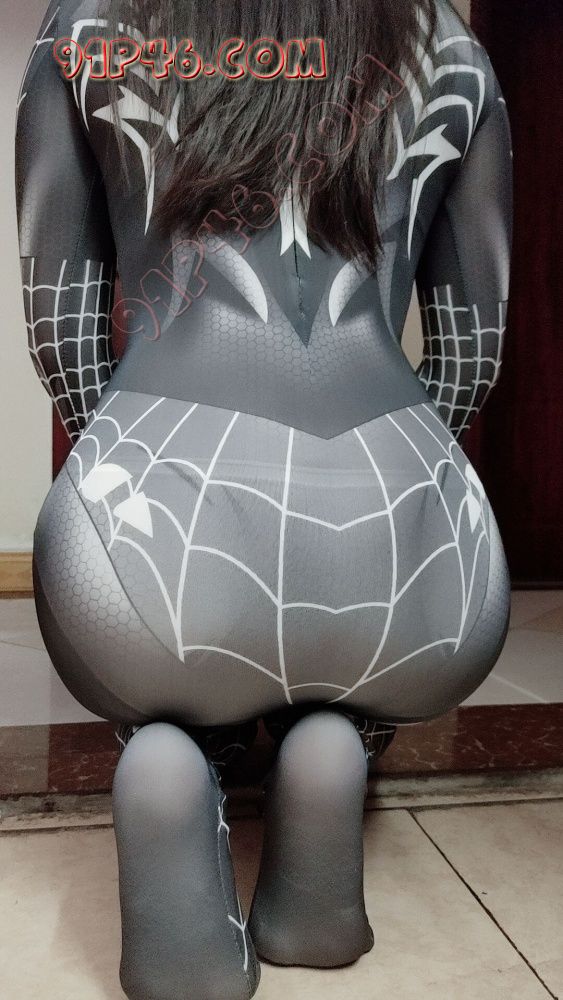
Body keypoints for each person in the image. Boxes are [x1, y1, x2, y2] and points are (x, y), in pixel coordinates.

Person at [15, 0, 513, 996]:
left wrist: (108, 472)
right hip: (420, 568)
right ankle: (327, 783)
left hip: (158, 549)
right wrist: (421, 485)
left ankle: (173, 784)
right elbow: (472, 351)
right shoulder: (452, 47)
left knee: (156, 679)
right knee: (347, 683)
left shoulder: (87, 26)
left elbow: (61, 328)